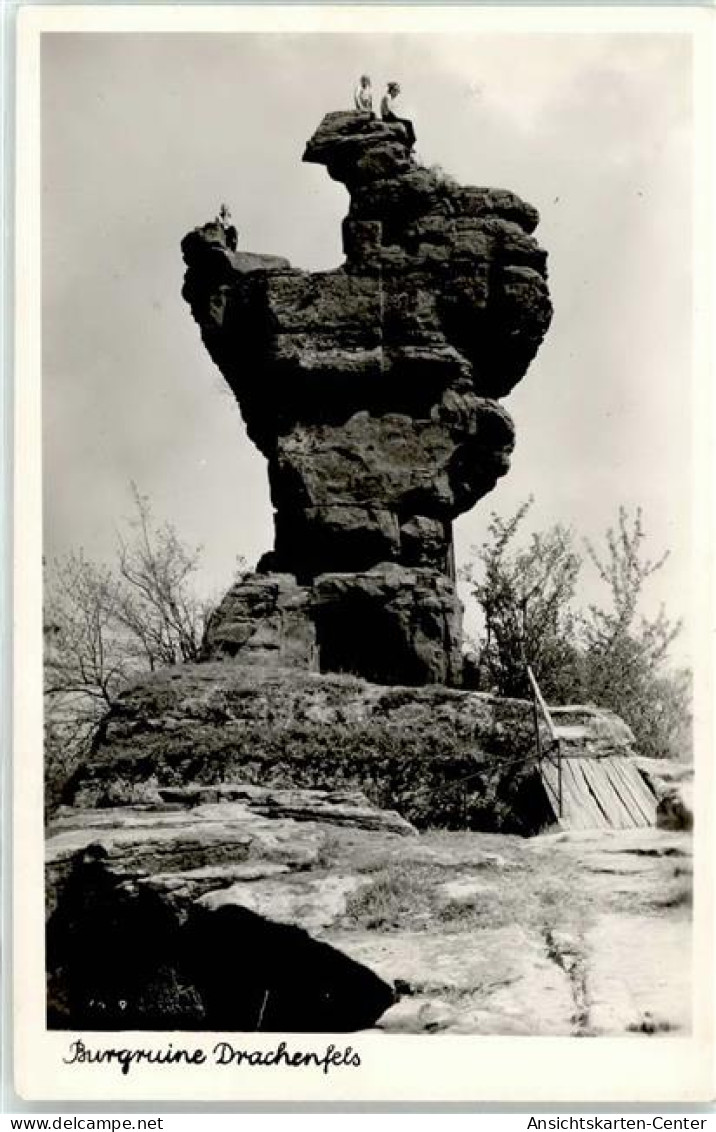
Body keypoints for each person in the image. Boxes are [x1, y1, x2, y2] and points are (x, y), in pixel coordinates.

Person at [380, 81, 415, 148]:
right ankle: (410, 141)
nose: (397, 93)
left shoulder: (390, 98)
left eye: (397, 91)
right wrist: (396, 118)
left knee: (407, 123)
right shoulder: (387, 97)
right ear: (391, 90)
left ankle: (410, 141)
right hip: (388, 117)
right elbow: (387, 110)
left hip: (390, 116)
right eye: (395, 91)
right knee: (408, 123)